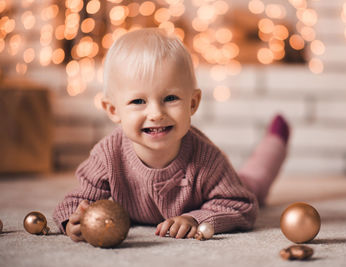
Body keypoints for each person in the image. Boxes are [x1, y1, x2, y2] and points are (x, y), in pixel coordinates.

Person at [53, 28, 290, 242]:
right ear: (113, 110)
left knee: (254, 181)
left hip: (224, 187)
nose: (156, 113)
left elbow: (241, 204)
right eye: (138, 101)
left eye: (170, 98)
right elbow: (76, 201)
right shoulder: (107, 156)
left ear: (193, 103)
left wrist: (197, 219)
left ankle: (275, 141)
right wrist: (73, 221)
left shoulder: (207, 159)